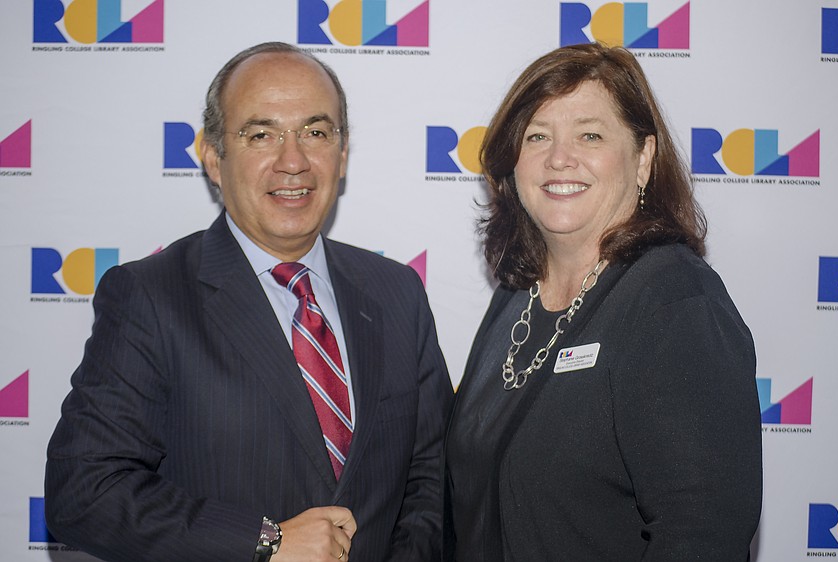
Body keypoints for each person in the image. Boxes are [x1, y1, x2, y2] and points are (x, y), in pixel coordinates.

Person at [45, 42, 453, 562]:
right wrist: (266, 541)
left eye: (316, 132)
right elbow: (84, 491)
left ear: (342, 153)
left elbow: (430, 478)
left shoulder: (396, 291)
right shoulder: (150, 297)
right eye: (261, 134)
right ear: (214, 158)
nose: (293, 160)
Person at [444, 43, 762, 561]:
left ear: (643, 158)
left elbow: (702, 533)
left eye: (589, 135)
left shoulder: (674, 301)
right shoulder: (515, 298)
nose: (559, 157)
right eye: (538, 136)